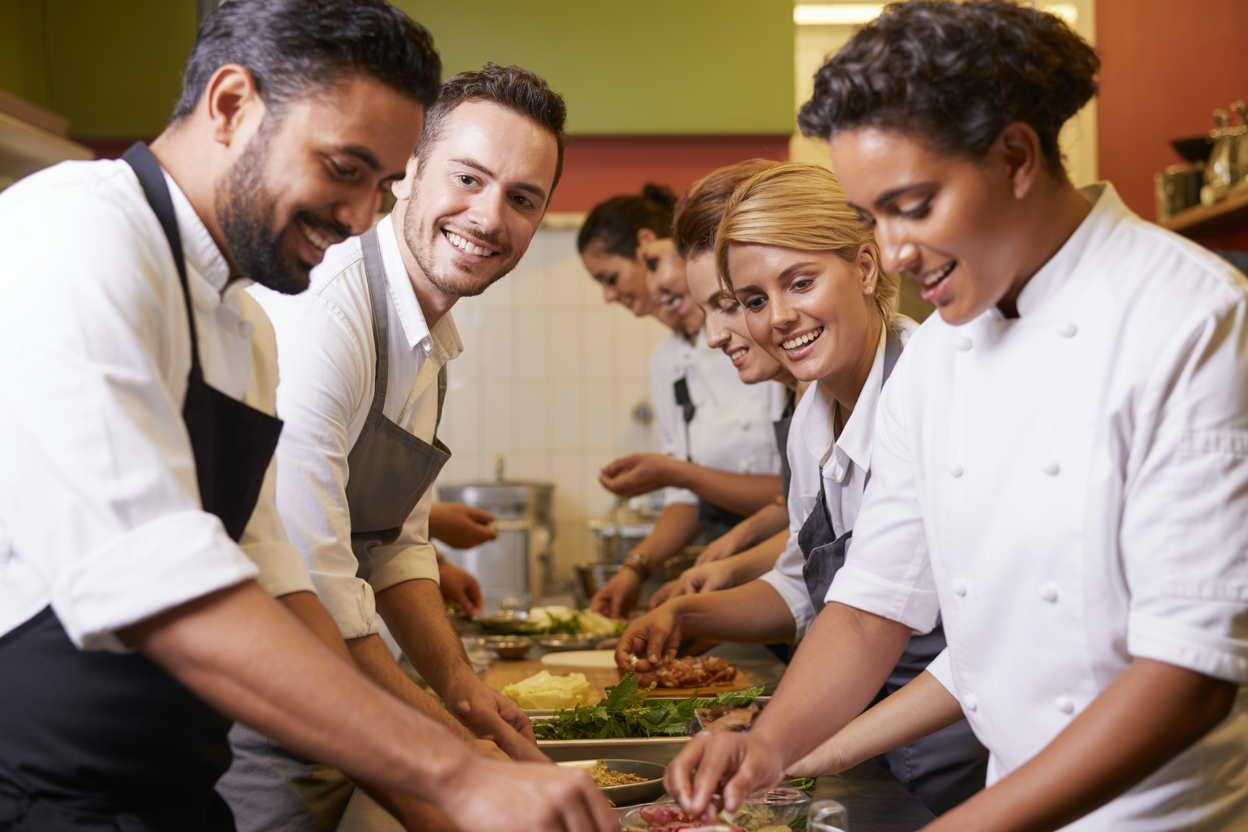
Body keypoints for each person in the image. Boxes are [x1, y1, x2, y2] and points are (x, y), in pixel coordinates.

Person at [0, 2, 617, 831]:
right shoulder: (76, 231)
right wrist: (457, 778)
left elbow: (287, 584)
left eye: (380, 184)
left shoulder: (242, 322)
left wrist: (460, 755)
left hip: (166, 787)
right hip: (42, 788)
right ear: (229, 106)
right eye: (344, 168)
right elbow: (150, 578)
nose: (363, 218)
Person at [664, 3, 1248, 831]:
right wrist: (769, 745)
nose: (895, 254)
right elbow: (871, 605)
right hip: (1012, 796)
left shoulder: (1190, 317)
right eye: (879, 216)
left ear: (1016, 156)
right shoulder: (939, 355)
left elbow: (1188, 677)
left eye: (915, 205)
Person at [217, 63, 566, 831]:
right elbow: (320, 580)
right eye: (468, 178)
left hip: (346, 691)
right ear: (408, 173)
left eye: (522, 198)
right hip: (264, 717)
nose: (488, 216)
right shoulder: (326, 317)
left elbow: (400, 547)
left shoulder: (431, 340)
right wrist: (460, 758)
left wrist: (462, 688)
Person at [620, 162, 987, 814]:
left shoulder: (938, 388)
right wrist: (691, 617)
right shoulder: (811, 422)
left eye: (801, 283)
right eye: (754, 300)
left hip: (972, 762)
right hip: (884, 749)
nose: (776, 318)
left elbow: (893, 623)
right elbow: (827, 595)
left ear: (867, 268)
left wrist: (781, 745)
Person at [578, 188, 788, 618]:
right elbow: (692, 497)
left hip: (777, 565)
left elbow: (794, 499)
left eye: (609, 277)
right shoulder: (669, 362)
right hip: (734, 566)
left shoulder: (766, 345)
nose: (719, 335)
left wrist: (678, 472)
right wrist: (635, 568)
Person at [647, 159, 798, 610]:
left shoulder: (905, 386)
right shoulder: (811, 407)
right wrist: (730, 567)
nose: (713, 337)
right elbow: (810, 542)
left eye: (733, 304)